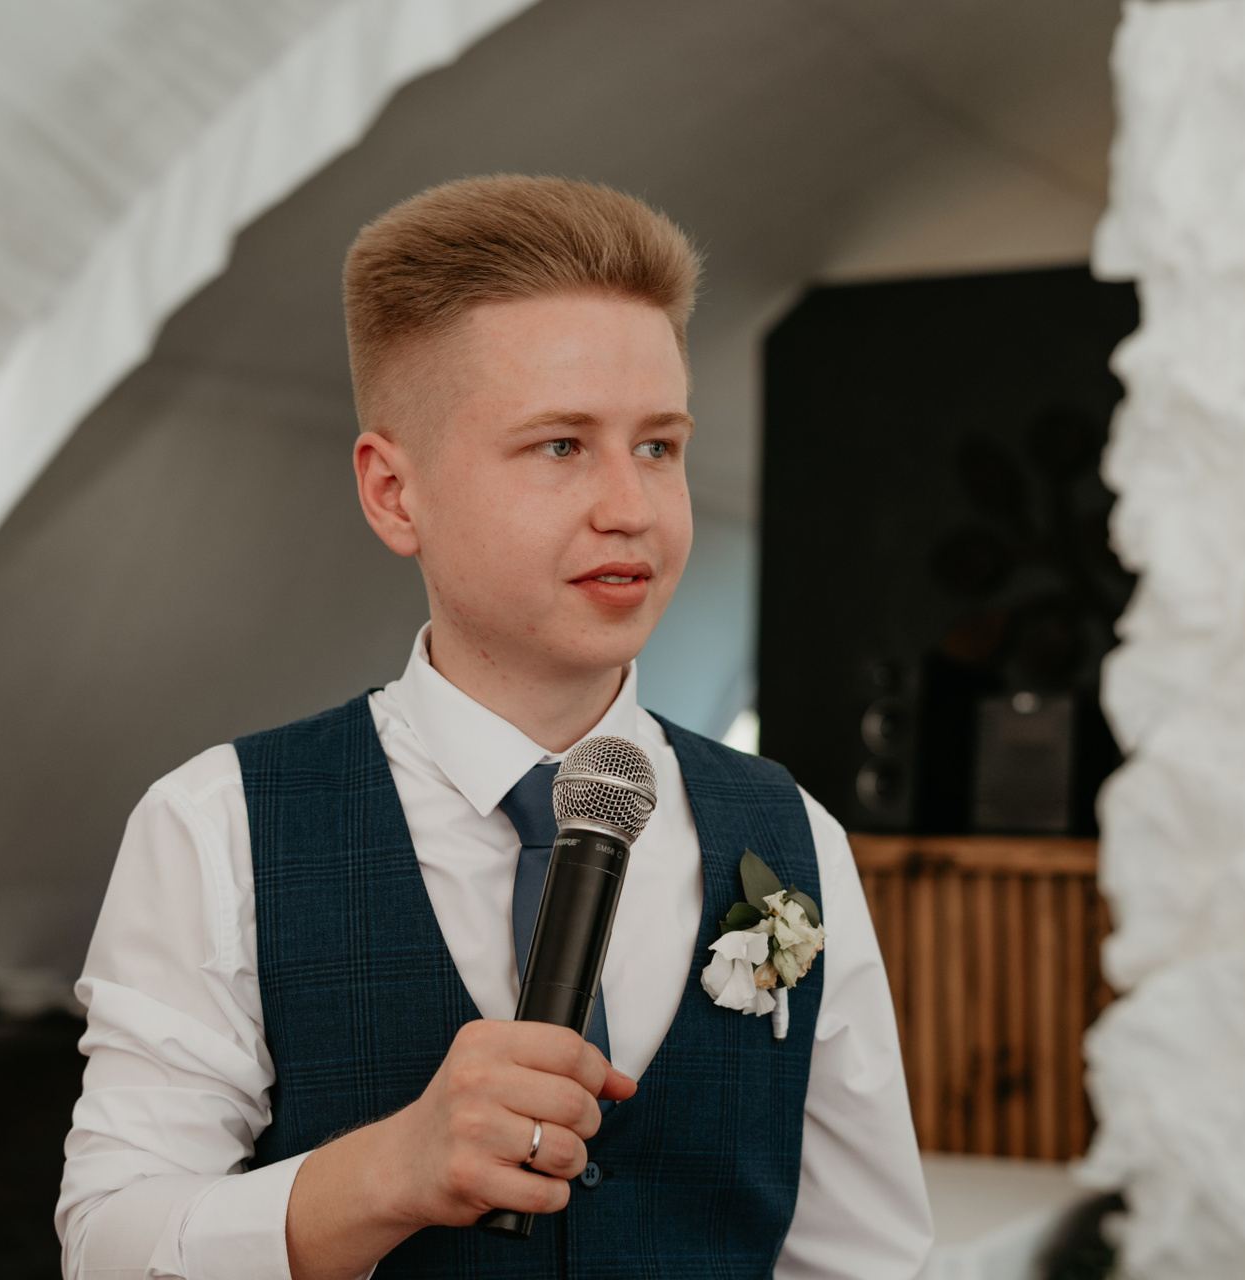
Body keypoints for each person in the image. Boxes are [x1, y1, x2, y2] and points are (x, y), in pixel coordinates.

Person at [56, 175, 932, 1279]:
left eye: (658, 446)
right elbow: (108, 1245)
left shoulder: (791, 831)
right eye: (561, 445)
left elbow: (866, 1258)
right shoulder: (215, 824)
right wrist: (383, 1173)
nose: (631, 507)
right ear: (394, 493)